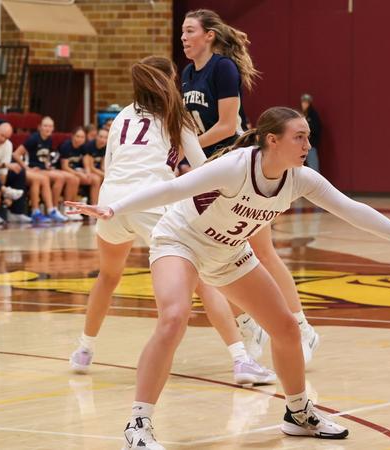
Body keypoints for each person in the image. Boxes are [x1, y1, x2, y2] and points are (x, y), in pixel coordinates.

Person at [67, 106, 390, 448]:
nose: (307, 146)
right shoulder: (235, 167)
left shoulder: (300, 178)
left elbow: (353, 210)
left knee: (287, 328)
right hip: (181, 241)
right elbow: (172, 190)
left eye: (308, 138)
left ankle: (298, 413)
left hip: (228, 253)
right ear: (272, 140)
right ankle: (138, 425)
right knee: (173, 318)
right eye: (299, 137)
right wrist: (113, 209)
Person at [67, 56, 276, 390]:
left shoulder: (121, 115)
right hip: (151, 202)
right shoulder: (176, 116)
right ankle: (241, 360)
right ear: (166, 81)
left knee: (107, 276)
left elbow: (112, 163)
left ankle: (83, 350)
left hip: (112, 201)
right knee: (203, 279)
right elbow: (204, 170)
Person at [181, 8, 322, 363]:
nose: (183, 38)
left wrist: (191, 148)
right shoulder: (186, 73)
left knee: (262, 252)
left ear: (209, 35)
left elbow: (228, 126)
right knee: (214, 255)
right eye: (182, 32)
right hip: (207, 170)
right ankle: (248, 323)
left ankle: (302, 327)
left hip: (237, 167)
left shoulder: (222, 68)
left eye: (189, 31)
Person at [12, 116, 70, 222]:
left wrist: (47, 165)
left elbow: (44, 156)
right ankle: (40, 211)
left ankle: (53, 209)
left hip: (42, 169)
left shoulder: (49, 139)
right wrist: (27, 168)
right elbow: (16, 154)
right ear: (40, 127)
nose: (48, 128)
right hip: (33, 169)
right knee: (43, 179)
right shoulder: (33, 138)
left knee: (61, 177)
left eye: (50, 126)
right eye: (45, 126)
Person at [59, 126, 102, 206]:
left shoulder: (84, 147)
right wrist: (78, 173)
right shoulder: (66, 146)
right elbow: (64, 167)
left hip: (77, 170)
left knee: (96, 179)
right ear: (72, 136)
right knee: (75, 179)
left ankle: (94, 206)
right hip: (65, 170)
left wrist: (87, 172)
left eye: (82, 137)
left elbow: (86, 163)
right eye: (77, 136)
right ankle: (69, 207)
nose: (80, 139)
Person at [300, 93, 321, 172]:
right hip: (301, 145)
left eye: (306, 102)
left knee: (313, 168)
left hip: (311, 145)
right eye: (303, 102)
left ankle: (317, 184)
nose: (304, 104)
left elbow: (316, 129)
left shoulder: (313, 115)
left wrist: (307, 126)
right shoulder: (302, 114)